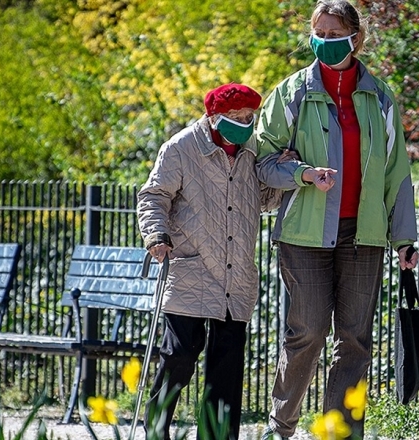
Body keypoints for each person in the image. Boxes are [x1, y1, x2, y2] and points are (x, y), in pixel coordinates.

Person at [255, 1, 419, 438]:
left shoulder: (380, 98)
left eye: (333, 34)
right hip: (304, 235)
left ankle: (341, 432)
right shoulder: (291, 93)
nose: (325, 42)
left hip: (363, 236)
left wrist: (404, 238)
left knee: (355, 342)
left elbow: (397, 172)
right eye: (319, 34)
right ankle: (281, 425)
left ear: (356, 37)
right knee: (307, 332)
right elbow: (261, 162)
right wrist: (301, 174)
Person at [136, 83, 282, 440]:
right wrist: (156, 235)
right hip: (191, 267)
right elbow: (153, 196)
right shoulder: (181, 148)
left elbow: (265, 199)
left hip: (236, 274)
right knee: (180, 354)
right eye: (236, 118)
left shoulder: (252, 150)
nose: (245, 123)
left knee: (227, 368)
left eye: (250, 117)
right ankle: (156, 430)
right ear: (213, 117)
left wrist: (286, 171)